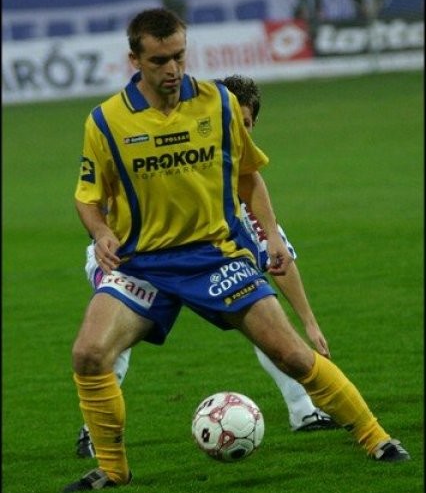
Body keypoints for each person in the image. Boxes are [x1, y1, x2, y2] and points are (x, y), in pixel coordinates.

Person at [64, 7, 409, 493]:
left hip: (216, 255)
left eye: (179, 56)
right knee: (89, 353)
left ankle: (377, 438)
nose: (172, 69)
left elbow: (249, 176)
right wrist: (101, 231)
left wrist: (270, 235)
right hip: (142, 264)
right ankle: (113, 470)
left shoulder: (219, 103)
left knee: (292, 355)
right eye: (160, 60)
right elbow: (87, 197)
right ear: (134, 60)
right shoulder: (105, 121)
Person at [75, 74, 338, 459]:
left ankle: (304, 411)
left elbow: (278, 260)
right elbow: (99, 196)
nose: (238, 132)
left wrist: (310, 324)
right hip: (133, 258)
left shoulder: (244, 192)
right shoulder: (183, 156)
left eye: (245, 125)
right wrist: (105, 232)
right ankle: (94, 431)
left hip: (203, 259)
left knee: (261, 319)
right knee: (113, 339)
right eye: (234, 123)